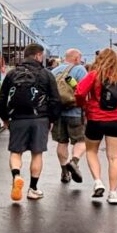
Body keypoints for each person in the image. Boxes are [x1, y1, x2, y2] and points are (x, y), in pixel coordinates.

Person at [0, 43, 61, 201]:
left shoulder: (12, 74)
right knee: (37, 153)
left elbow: (1, 99)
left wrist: (5, 118)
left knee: (15, 152)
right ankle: (33, 189)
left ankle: (16, 176)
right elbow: (55, 100)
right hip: (40, 119)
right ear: (38, 55)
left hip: (18, 119)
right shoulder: (46, 74)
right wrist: (51, 119)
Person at [74, 48, 117, 204]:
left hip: (95, 119)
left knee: (91, 151)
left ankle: (97, 181)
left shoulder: (94, 74)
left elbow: (79, 92)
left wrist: (84, 106)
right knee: (114, 157)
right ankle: (113, 193)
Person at [51, 48, 87, 185]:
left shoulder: (54, 71)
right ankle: (74, 162)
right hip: (75, 112)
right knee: (81, 141)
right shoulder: (80, 70)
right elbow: (83, 92)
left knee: (62, 142)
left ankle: (64, 172)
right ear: (77, 58)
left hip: (59, 113)